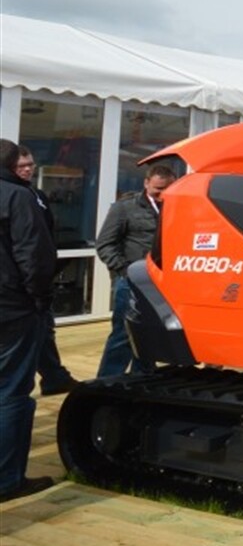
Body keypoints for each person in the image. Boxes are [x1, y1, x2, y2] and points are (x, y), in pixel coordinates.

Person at [0, 139, 58, 501]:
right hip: (13, 309)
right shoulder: (19, 197)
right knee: (11, 393)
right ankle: (7, 480)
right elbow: (33, 255)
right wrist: (40, 299)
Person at [95, 163, 176, 377]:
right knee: (123, 335)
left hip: (164, 283)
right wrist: (124, 270)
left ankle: (143, 378)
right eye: (157, 189)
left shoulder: (177, 207)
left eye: (167, 188)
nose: (162, 194)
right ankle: (107, 383)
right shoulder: (124, 208)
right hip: (132, 282)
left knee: (151, 334)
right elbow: (104, 244)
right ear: (146, 183)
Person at [15, 147, 75, 395]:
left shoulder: (36, 194)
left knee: (44, 330)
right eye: (22, 166)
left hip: (40, 277)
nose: (28, 169)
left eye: (31, 164)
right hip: (18, 281)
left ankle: (54, 376)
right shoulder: (13, 196)